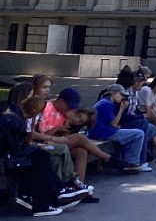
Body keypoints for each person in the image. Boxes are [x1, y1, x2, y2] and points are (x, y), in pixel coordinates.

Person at [0, 85, 68, 216]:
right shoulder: (13, 119)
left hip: (8, 153)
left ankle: (53, 195)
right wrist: (35, 146)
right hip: (6, 156)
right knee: (40, 158)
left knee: (41, 157)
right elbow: (17, 148)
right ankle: (38, 197)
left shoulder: (14, 114)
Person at [34, 87, 108, 196]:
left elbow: (66, 133)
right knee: (80, 138)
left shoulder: (64, 113)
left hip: (58, 141)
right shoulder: (45, 108)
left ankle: (79, 189)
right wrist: (57, 130)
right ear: (61, 101)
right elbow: (39, 135)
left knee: (81, 151)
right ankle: (106, 157)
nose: (70, 109)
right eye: (69, 106)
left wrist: (66, 125)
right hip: (45, 142)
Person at [86, 84, 148, 172]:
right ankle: (131, 163)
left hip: (102, 131)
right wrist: (121, 109)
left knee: (133, 132)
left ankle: (127, 161)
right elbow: (114, 123)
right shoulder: (106, 104)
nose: (123, 97)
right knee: (139, 134)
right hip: (104, 133)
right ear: (113, 93)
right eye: (121, 94)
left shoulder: (105, 102)